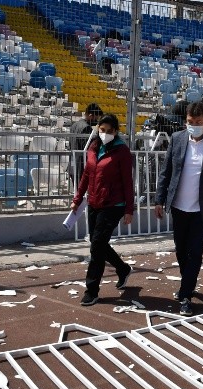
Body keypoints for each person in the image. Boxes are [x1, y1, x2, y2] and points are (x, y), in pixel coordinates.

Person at [154, 102, 203, 316]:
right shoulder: (177, 139)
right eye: (190, 122)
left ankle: (185, 294)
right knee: (180, 250)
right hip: (178, 206)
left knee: (195, 252)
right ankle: (188, 282)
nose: (193, 126)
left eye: (198, 123)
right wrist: (159, 199)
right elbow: (166, 172)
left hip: (202, 209)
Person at [70, 114, 134, 306]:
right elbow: (86, 176)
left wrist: (129, 209)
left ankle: (92, 290)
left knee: (96, 248)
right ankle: (122, 269)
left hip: (113, 205)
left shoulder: (121, 151)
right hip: (94, 203)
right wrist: (77, 199)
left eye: (109, 131)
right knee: (98, 244)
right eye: (102, 130)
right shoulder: (93, 147)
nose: (105, 133)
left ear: (116, 132)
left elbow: (127, 182)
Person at [69, 103, 103, 181]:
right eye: (96, 119)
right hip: (81, 166)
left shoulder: (74, 125)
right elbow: (88, 147)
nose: (97, 122)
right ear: (90, 116)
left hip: (73, 164)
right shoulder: (86, 128)